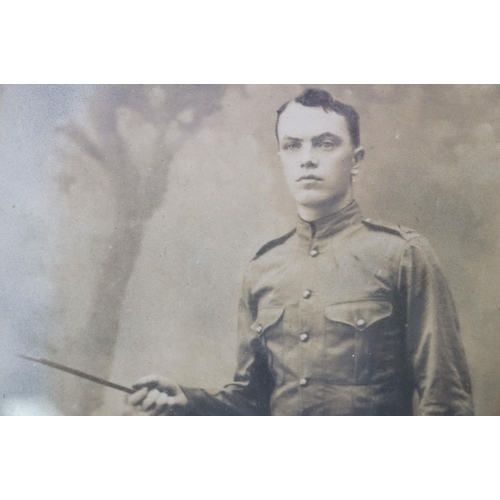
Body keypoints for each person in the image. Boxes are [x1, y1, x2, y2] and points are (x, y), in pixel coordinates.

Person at [128, 88, 474, 416]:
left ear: (355, 160)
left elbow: (446, 401)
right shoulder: (264, 268)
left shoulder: (401, 255)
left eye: (325, 144)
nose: (307, 159)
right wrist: (188, 400)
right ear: (281, 158)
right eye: (292, 146)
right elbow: (251, 401)